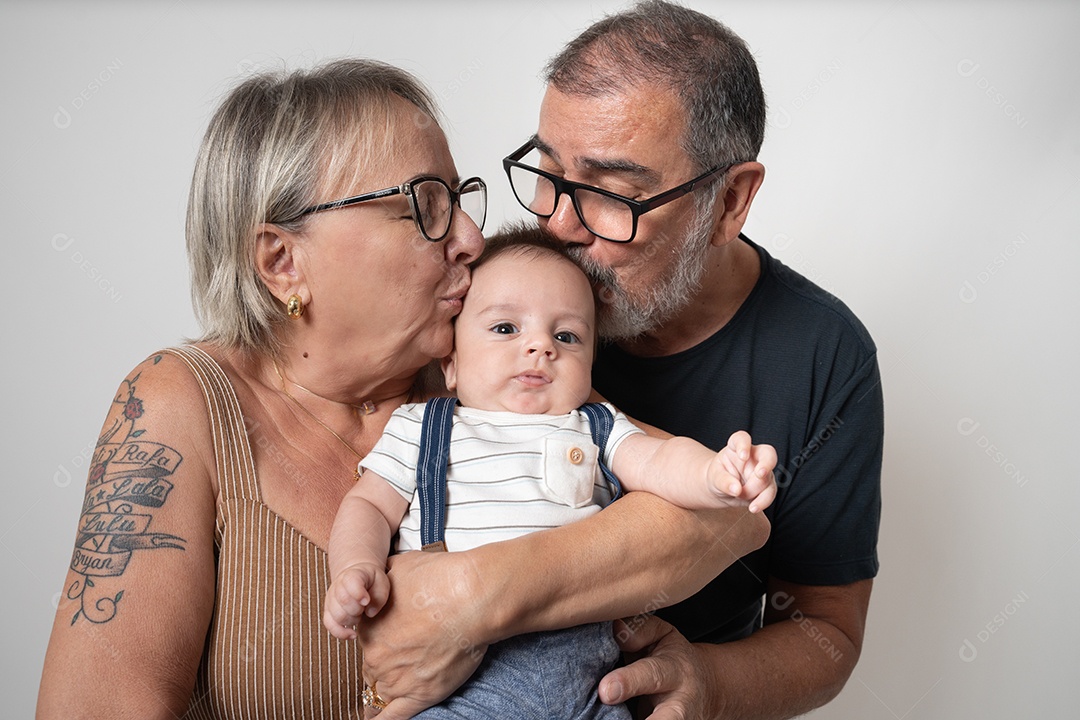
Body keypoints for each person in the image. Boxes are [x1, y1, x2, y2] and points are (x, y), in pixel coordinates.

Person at [36, 58, 770, 719]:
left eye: (460, 197)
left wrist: (469, 599)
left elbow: (730, 519)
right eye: (425, 205)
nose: (472, 240)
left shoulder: (494, 372)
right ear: (283, 261)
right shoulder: (177, 404)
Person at [499, 1, 884, 718]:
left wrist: (708, 683)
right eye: (549, 171)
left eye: (612, 195)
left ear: (731, 199)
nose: (557, 224)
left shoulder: (824, 354)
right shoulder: (510, 296)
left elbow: (826, 630)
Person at [323, 229, 777, 718]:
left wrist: (714, 474)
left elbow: (658, 461)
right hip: (459, 685)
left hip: (588, 682)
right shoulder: (424, 427)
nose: (540, 346)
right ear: (450, 363)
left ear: (590, 367)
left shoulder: (597, 427)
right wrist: (355, 567)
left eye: (566, 335)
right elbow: (368, 504)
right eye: (505, 329)